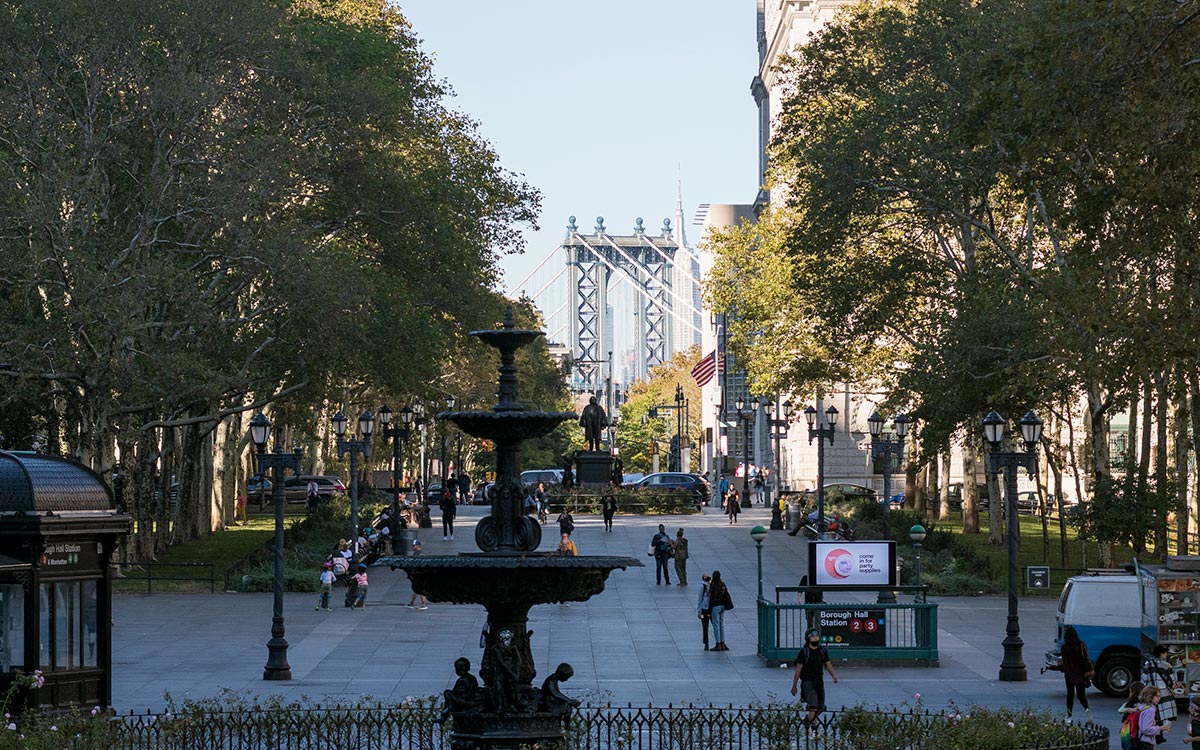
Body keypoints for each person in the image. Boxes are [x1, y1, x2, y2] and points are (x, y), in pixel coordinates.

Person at [791, 627, 838, 727]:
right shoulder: (804, 652)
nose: (815, 638)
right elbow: (798, 669)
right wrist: (794, 686)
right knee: (813, 705)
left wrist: (833, 675)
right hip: (808, 682)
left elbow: (828, 664)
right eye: (813, 637)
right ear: (808, 639)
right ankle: (813, 727)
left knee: (820, 707)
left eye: (817, 636)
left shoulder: (822, 651)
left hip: (819, 682)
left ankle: (808, 721)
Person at [1060, 625, 1093, 723]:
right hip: (1081, 675)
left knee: (1070, 695)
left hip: (1070, 675)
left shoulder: (1064, 648)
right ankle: (1087, 709)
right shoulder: (1081, 645)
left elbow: (1065, 664)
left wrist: (1057, 668)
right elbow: (1086, 658)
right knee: (1081, 695)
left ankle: (1069, 716)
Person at [1144, 644, 1179, 726]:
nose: (1166, 655)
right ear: (1162, 654)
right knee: (1162, 716)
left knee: (1152, 715)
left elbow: (1143, 680)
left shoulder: (1147, 666)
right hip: (1163, 694)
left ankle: (1155, 732)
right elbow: (1172, 682)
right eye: (1165, 653)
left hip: (1150, 693)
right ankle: (1160, 733)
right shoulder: (1166, 666)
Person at [708, 570, 732, 651]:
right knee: (721, 625)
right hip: (722, 606)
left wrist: (709, 609)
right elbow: (726, 594)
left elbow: (710, 598)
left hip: (715, 607)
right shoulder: (722, 584)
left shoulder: (713, 585)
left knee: (716, 625)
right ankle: (723, 643)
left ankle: (717, 644)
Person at [407, 539, 429, 609]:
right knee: (416, 589)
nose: (413, 547)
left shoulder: (417, 554)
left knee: (419, 589)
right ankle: (411, 603)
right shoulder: (419, 553)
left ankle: (424, 604)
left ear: (418, 546)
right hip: (419, 574)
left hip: (419, 575)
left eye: (414, 545)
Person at [697, 573, 712, 650]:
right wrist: (699, 612)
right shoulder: (702, 587)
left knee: (711, 626)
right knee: (705, 626)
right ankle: (706, 643)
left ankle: (718, 642)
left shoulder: (713, 586)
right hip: (704, 610)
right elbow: (700, 599)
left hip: (710, 609)